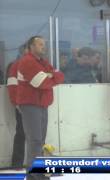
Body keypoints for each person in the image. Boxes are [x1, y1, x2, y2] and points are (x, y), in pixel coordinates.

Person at [17, 36, 64, 180]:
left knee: (40, 140)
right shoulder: (27, 61)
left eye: (44, 44)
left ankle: (37, 172)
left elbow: (60, 76)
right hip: (31, 105)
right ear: (31, 46)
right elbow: (41, 83)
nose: (43, 47)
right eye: (40, 44)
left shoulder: (43, 62)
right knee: (35, 140)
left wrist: (50, 75)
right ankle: (35, 174)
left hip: (42, 104)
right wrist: (50, 76)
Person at [6, 43, 28, 169]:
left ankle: (38, 162)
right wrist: (17, 104)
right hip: (23, 106)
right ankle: (17, 163)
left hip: (36, 106)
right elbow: (12, 86)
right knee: (21, 133)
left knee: (38, 136)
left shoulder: (38, 64)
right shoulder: (16, 66)